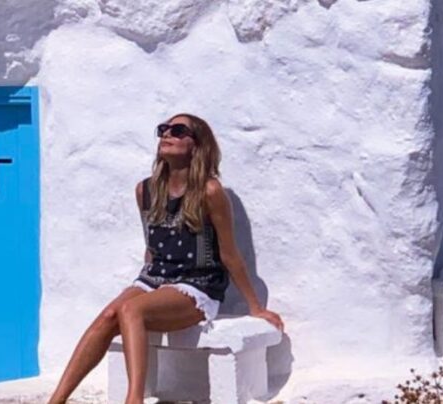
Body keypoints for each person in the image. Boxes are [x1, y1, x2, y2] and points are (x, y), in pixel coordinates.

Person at [48, 113, 284, 404]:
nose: (167, 135)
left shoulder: (209, 191)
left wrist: (256, 307)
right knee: (109, 315)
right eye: (163, 129)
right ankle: (55, 401)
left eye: (178, 130)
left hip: (197, 284)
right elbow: (152, 244)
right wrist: (144, 283)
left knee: (131, 310)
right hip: (156, 276)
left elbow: (229, 253)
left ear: (197, 145)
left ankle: (133, 399)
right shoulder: (145, 190)